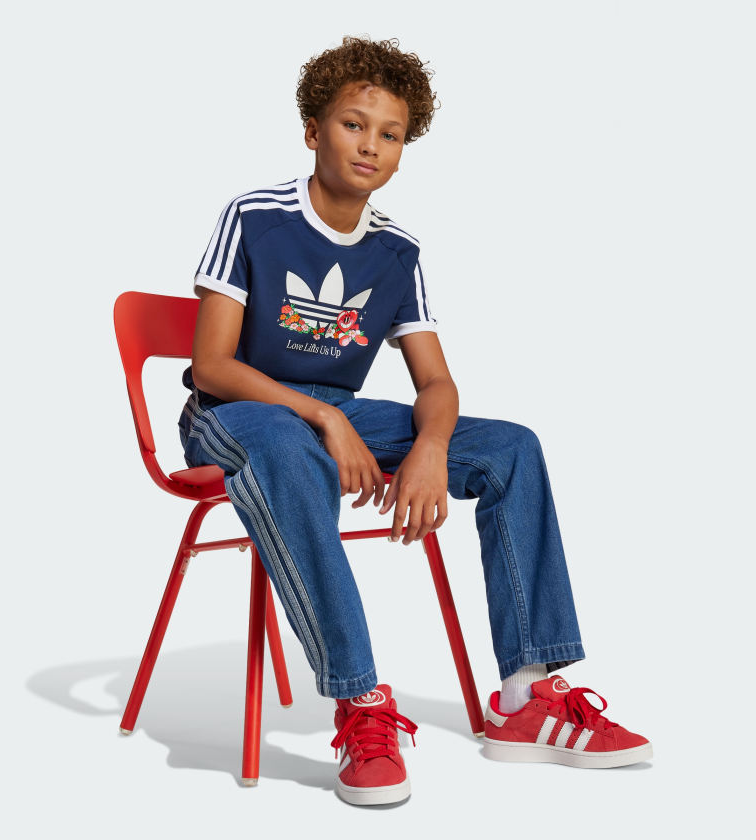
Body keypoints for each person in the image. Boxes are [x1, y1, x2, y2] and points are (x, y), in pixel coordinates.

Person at [178, 35, 652, 806]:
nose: (370, 145)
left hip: (339, 414)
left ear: (403, 150)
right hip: (237, 411)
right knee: (290, 449)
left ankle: (528, 696)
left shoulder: (397, 250)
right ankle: (360, 703)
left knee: (510, 448)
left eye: (390, 134)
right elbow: (211, 366)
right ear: (313, 131)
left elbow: (434, 380)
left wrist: (431, 446)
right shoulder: (256, 217)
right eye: (352, 124)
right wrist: (323, 419)